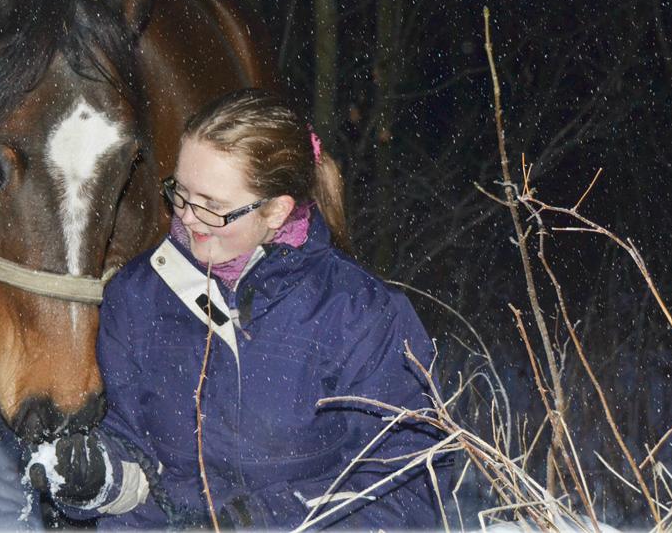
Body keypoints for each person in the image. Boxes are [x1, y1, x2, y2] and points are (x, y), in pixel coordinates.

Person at [27, 88, 450, 529]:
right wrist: (101, 478)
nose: (187, 218)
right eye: (181, 193)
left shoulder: (360, 314)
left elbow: (408, 484)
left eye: (213, 207)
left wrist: (258, 522)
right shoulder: (135, 296)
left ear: (275, 211)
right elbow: (127, 441)